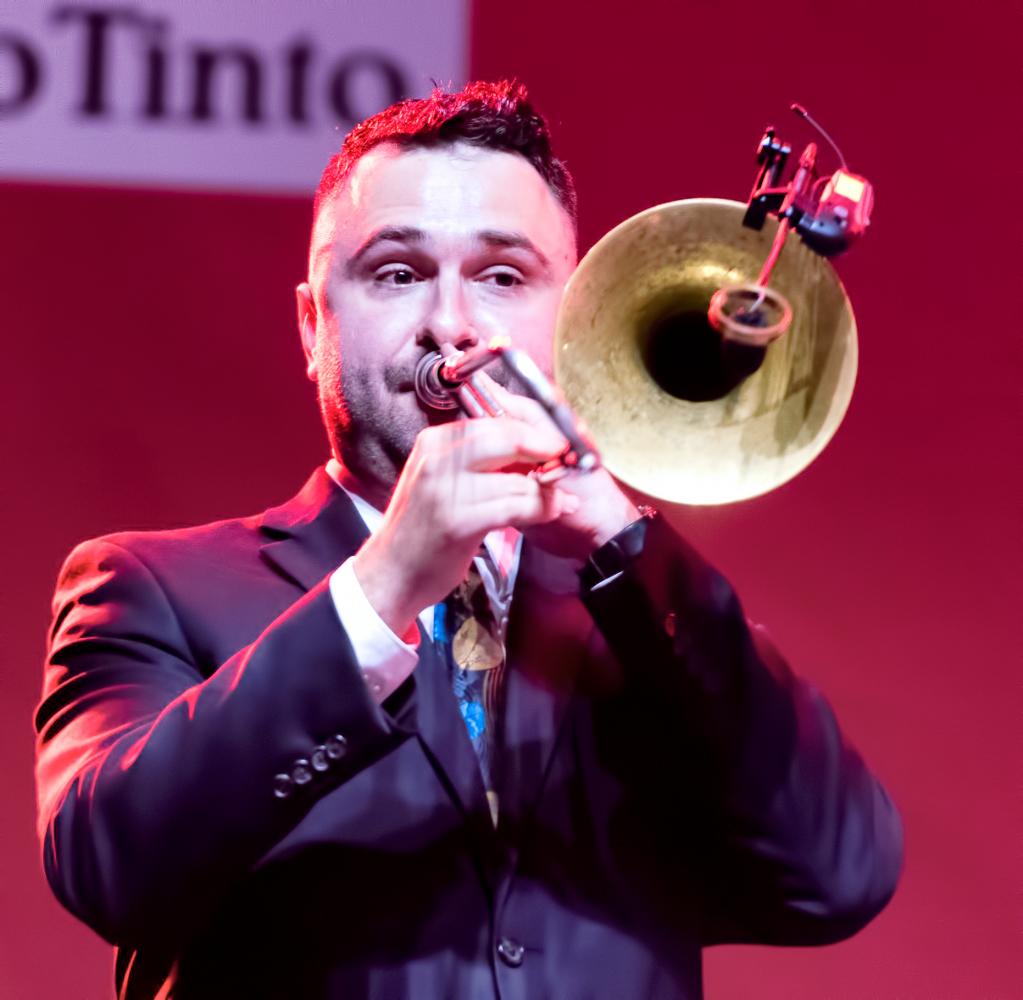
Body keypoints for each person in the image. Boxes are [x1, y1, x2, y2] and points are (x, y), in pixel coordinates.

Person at [34, 81, 903, 1000]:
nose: (450, 326)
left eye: (501, 277)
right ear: (310, 325)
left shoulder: (644, 623)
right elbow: (108, 867)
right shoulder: (149, 585)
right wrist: (381, 589)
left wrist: (620, 542)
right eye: (398, 274)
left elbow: (839, 876)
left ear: (568, 320)